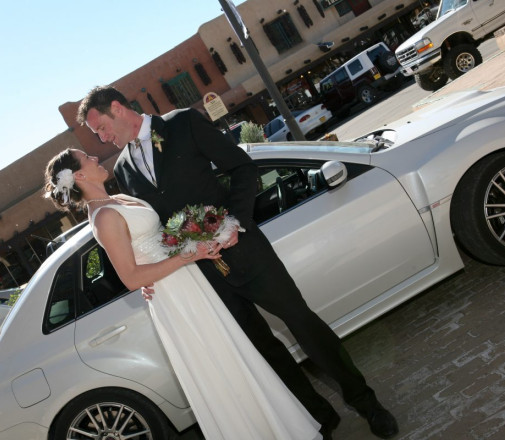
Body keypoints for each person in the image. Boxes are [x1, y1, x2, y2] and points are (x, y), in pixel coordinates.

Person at [76, 85, 399, 439]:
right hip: (205, 279)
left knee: (305, 326)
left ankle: (367, 403)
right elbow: (147, 230)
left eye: (102, 128)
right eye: (97, 136)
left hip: (246, 253)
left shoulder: (183, 124)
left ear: (119, 108)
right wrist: (148, 276)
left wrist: (236, 223)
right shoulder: (123, 170)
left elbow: (242, 168)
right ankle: (320, 421)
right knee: (265, 351)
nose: (104, 139)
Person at [44, 149, 322, 439]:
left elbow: (156, 242)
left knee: (233, 353)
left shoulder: (117, 200)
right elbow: (130, 277)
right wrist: (189, 257)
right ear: (79, 175)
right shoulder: (103, 218)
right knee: (219, 365)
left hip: (188, 281)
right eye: (87, 158)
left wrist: (196, 240)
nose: (94, 157)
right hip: (174, 295)